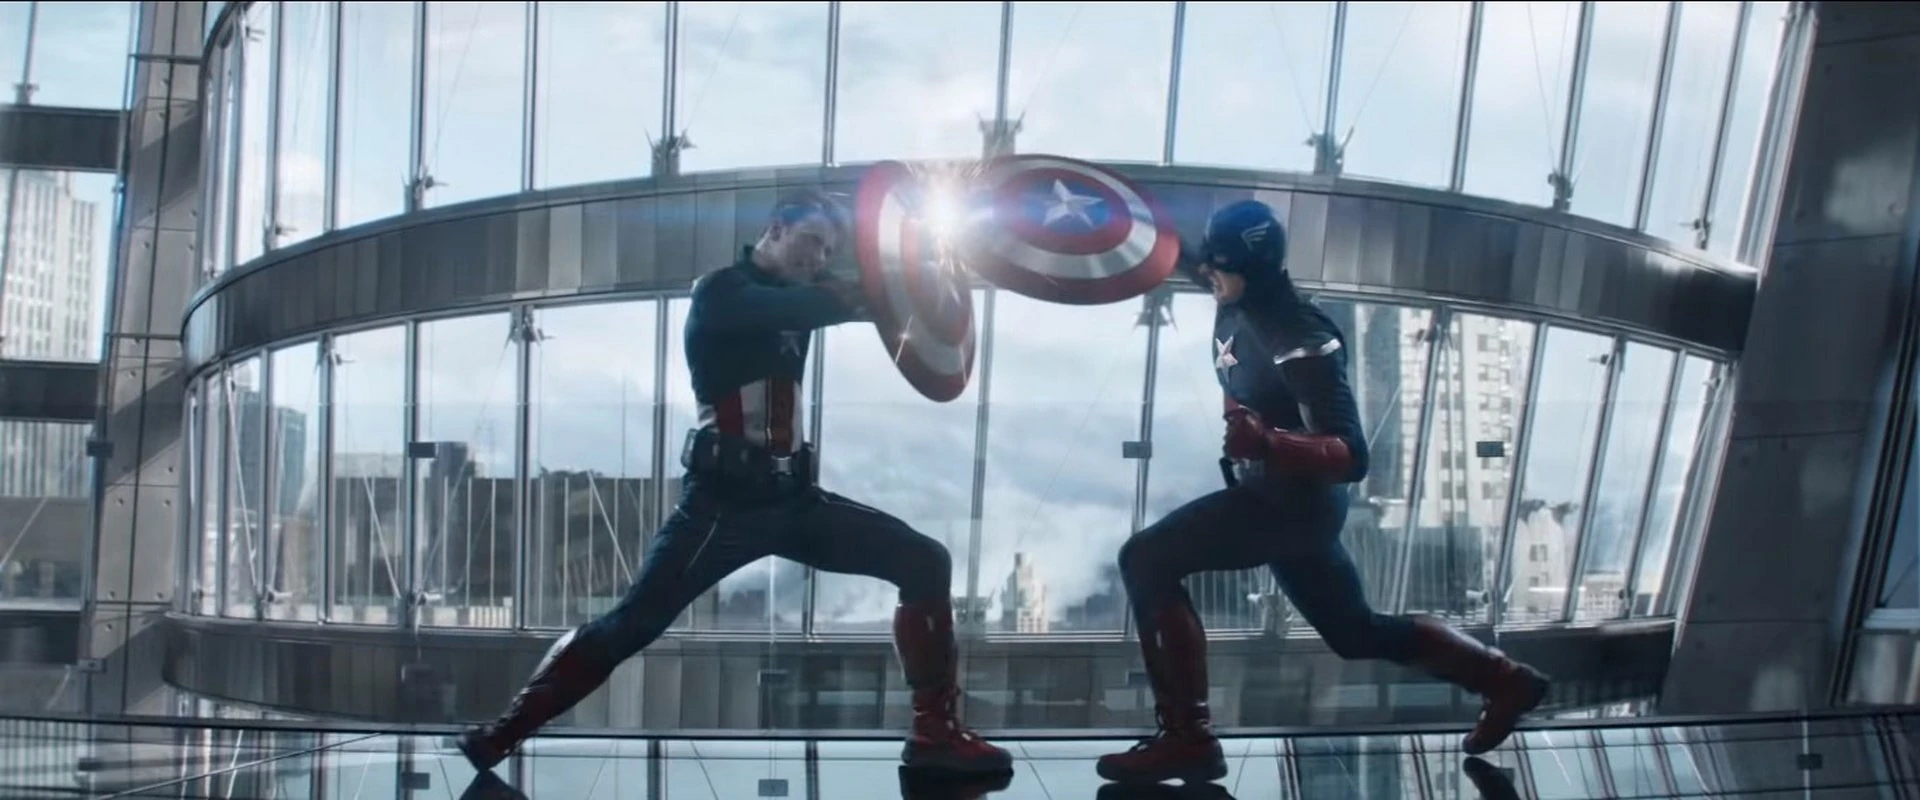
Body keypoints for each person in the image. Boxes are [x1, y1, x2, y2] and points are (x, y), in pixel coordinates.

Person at [452, 188, 1012, 777]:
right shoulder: (721, 292)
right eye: (811, 241)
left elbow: (880, 299)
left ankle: (934, 734)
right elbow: (805, 306)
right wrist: (883, 287)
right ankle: (502, 733)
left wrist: (924, 273)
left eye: (827, 250)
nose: (818, 258)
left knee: (924, 562)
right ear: (776, 229)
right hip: (721, 507)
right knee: (632, 624)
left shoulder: (802, 291)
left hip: (795, 500)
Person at [1094, 200, 1551, 785]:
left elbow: (1351, 454)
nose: (1208, 274)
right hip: (1283, 503)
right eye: (1210, 264)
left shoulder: (1300, 336)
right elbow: (1171, 247)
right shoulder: (1234, 290)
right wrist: (1085, 207)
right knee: (1355, 632)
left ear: (1252, 270)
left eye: (1220, 266)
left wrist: (1269, 442)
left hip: (1290, 507)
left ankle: (1189, 737)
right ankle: (1505, 679)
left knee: (1146, 559)